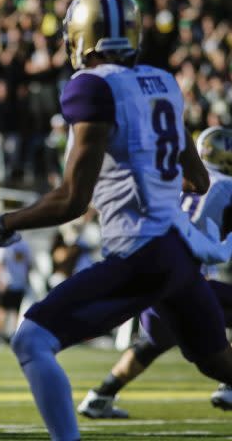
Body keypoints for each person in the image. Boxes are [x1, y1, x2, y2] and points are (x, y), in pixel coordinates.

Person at [0, 0, 232, 440]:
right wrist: (151, 184)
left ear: (79, 37)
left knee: (31, 340)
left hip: (140, 254)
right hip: (178, 254)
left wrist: (8, 222)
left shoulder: (92, 87)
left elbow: (72, 200)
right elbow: (196, 181)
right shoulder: (163, 80)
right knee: (219, 363)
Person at [78, 126, 232, 418]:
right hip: (186, 282)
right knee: (195, 338)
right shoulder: (224, 186)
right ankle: (228, 383)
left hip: (155, 277)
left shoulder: (176, 177)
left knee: (156, 339)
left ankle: (100, 396)